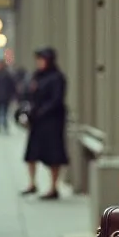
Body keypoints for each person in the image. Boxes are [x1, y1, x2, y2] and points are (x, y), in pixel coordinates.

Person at [21, 48, 68, 199]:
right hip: (36, 121)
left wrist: (41, 111)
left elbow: (56, 99)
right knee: (31, 154)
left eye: (42, 59)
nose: (39, 62)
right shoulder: (36, 76)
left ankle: (54, 187)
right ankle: (32, 183)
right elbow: (29, 94)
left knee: (53, 155)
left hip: (52, 122)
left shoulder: (57, 77)